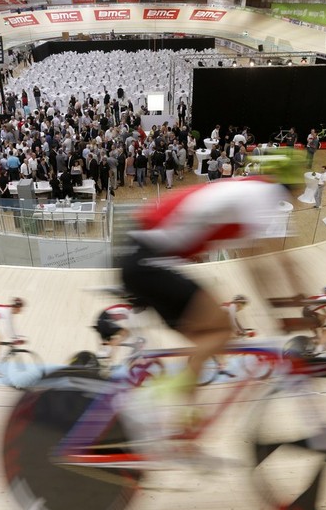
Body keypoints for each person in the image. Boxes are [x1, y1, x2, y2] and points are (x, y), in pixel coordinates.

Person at [119, 177, 306, 455]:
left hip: (140, 261)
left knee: (204, 343)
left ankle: (184, 428)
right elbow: (273, 264)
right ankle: (149, 398)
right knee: (220, 330)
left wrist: (281, 310)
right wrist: (302, 307)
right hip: (149, 262)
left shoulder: (248, 190)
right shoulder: (264, 196)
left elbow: (255, 262)